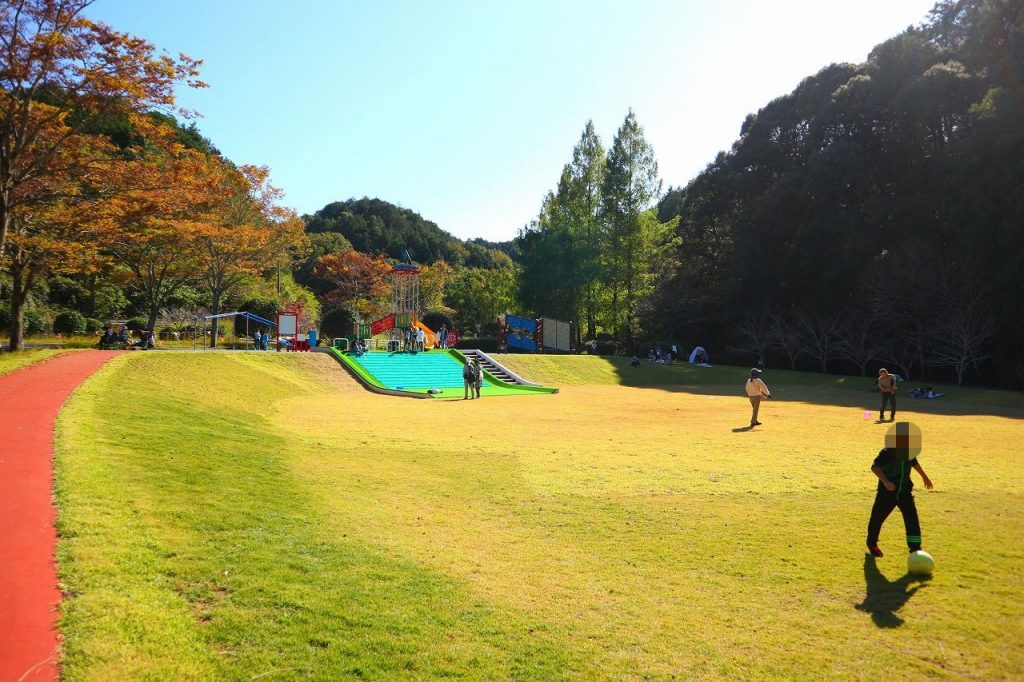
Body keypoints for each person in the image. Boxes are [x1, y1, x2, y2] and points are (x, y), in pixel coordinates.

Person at [866, 423, 933, 557]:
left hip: (905, 491)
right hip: (887, 492)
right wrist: (886, 482)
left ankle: (915, 548)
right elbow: (874, 467)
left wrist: (925, 477)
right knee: (877, 518)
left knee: (912, 518)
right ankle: (872, 543)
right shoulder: (887, 452)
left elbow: (914, 462)